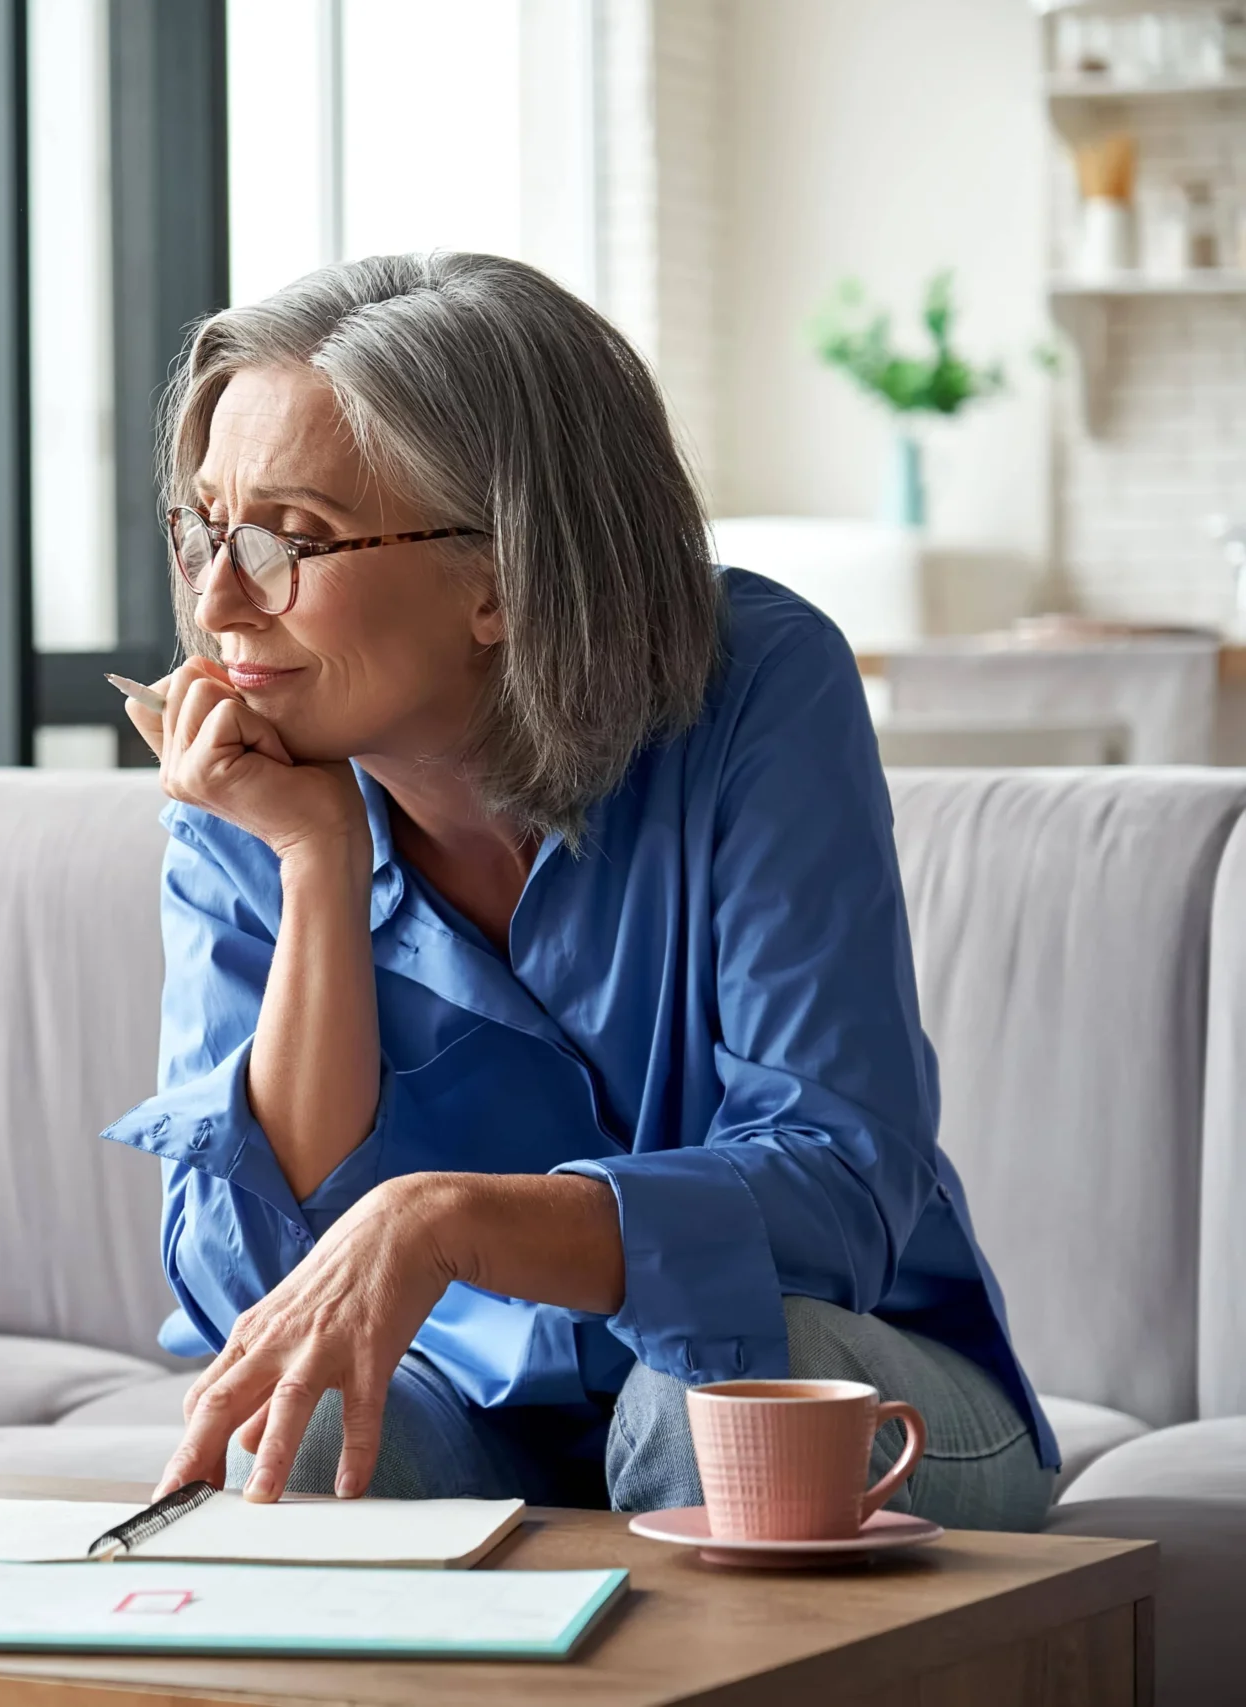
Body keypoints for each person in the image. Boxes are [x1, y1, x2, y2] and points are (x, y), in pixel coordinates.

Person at [101, 252, 1056, 1528]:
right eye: (204, 528)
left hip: (843, 1381)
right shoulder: (251, 778)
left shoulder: (757, 688)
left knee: (703, 1399)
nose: (219, 602)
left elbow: (838, 1188)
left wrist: (447, 1222)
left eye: (291, 539)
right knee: (310, 1424)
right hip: (475, 1409)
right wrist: (316, 866)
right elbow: (254, 1291)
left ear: (500, 575)